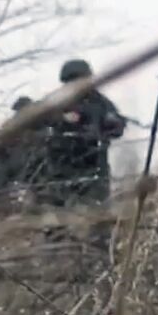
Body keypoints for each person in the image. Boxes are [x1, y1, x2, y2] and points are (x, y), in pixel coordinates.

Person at [39, 59, 126, 208]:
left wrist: (112, 125)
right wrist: (61, 120)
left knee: (97, 214)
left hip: (94, 166)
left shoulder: (100, 102)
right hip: (61, 167)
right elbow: (36, 122)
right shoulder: (55, 101)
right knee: (58, 215)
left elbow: (117, 126)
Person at [0, 96, 49, 207]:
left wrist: (28, 138)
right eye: (18, 111)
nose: (20, 113)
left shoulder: (40, 122)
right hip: (10, 155)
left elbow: (44, 137)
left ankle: (4, 192)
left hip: (29, 155)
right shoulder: (11, 124)